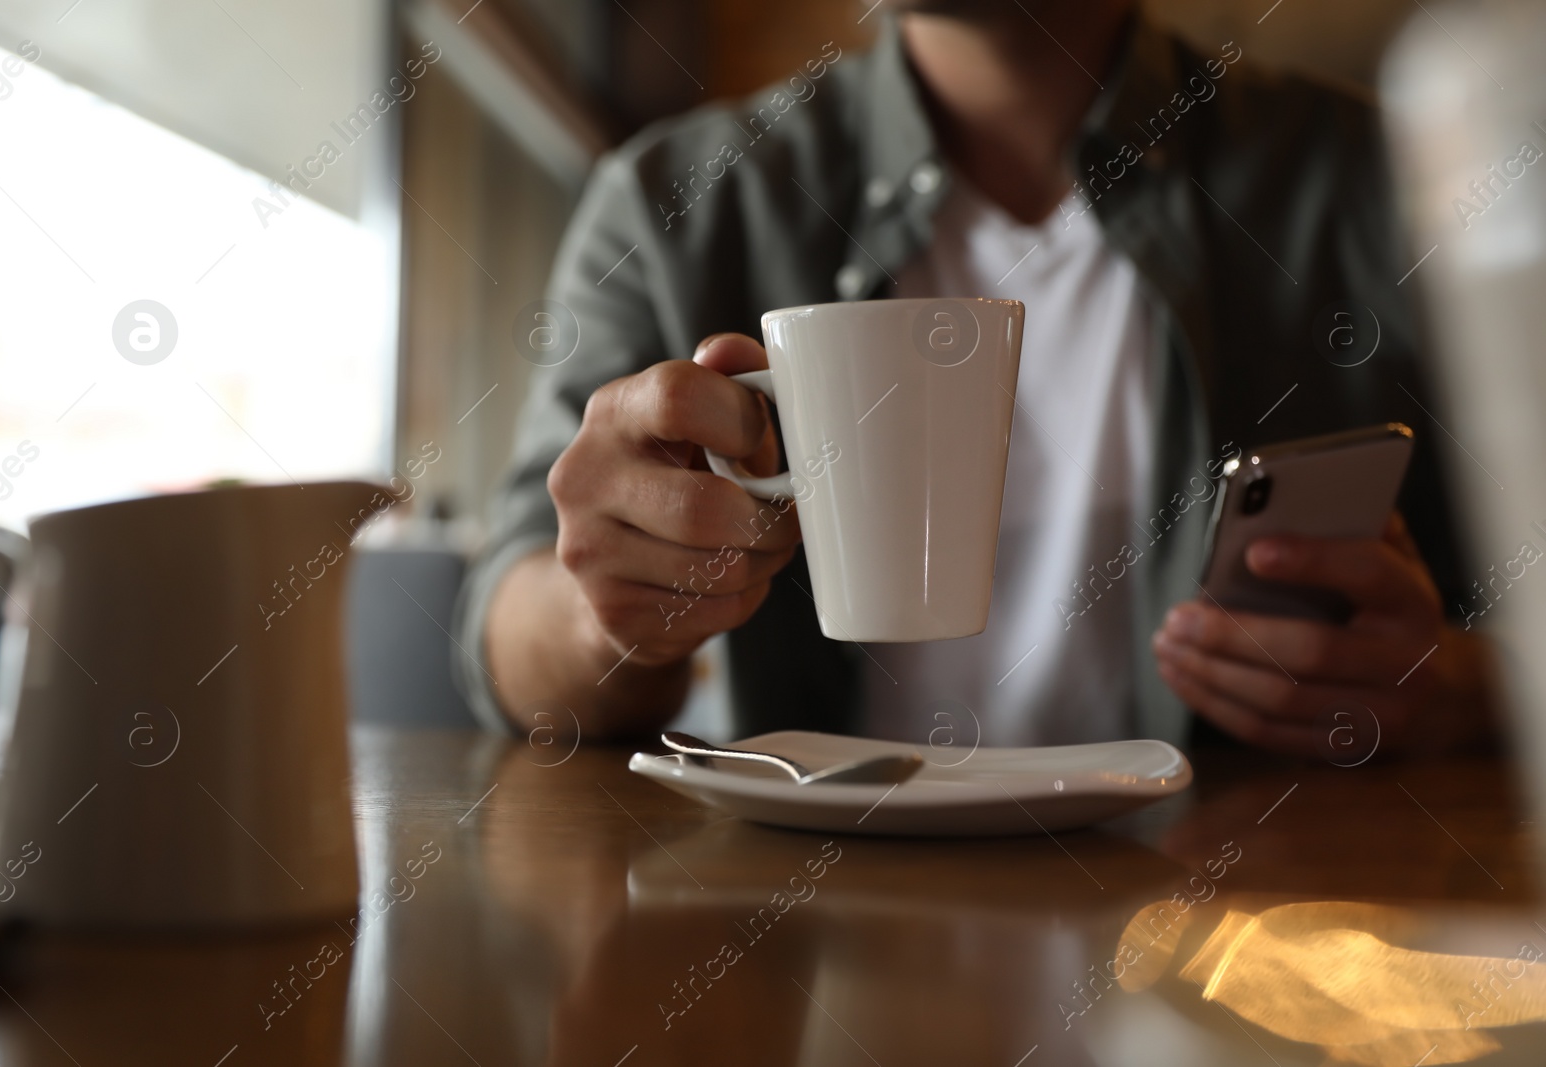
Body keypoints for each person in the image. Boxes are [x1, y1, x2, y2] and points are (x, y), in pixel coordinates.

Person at [456, 1, 1499, 756]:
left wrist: (1452, 686)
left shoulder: (1390, 181)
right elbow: (507, 636)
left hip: (1233, 958)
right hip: (801, 936)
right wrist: (604, 614)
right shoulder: (671, 203)